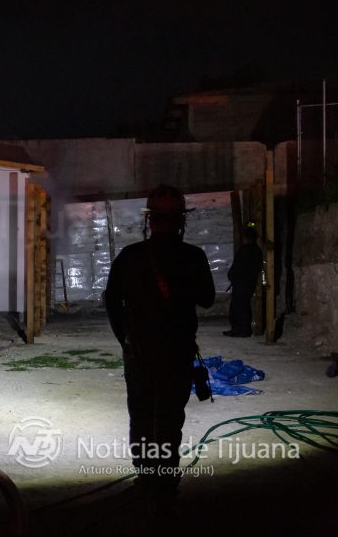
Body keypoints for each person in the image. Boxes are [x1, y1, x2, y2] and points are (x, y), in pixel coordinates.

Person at [103, 185, 215, 515]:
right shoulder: (193, 256)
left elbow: (112, 301)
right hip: (176, 352)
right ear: (181, 221)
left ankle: (145, 475)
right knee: (168, 418)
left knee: (140, 414)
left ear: (149, 221)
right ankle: (165, 485)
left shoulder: (130, 256)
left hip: (138, 352)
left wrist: (124, 339)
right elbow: (208, 299)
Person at [224, 225, 263, 338]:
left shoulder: (244, 250)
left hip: (241, 282)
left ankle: (240, 330)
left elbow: (237, 266)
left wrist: (232, 276)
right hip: (249, 282)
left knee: (238, 306)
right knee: (243, 305)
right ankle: (242, 329)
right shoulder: (257, 250)